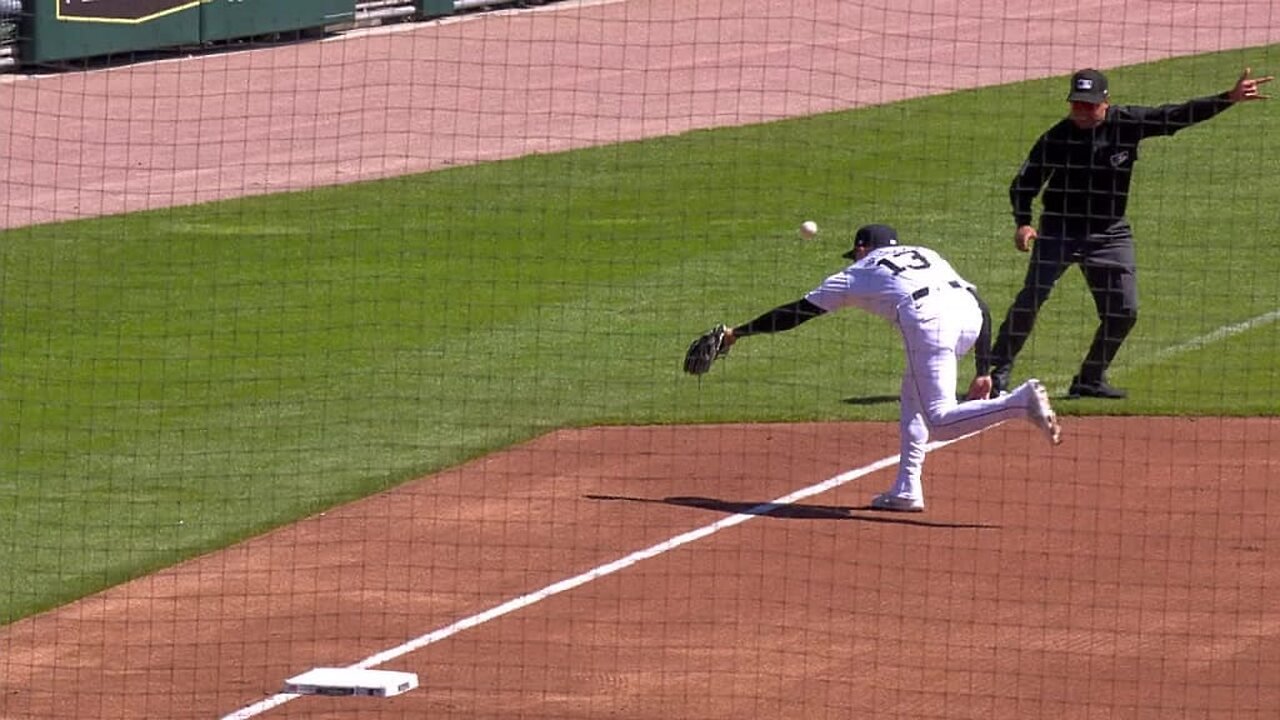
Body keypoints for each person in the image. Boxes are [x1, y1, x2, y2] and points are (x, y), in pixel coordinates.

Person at [689, 223, 1061, 513]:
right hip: (967, 316)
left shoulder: (859, 271)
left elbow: (796, 313)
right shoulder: (927, 253)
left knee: (940, 420)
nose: (854, 258)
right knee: (912, 396)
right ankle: (906, 488)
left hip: (929, 320)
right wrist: (984, 369)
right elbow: (980, 303)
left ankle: (1020, 402)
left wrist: (738, 333)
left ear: (864, 248)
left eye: (855, 252)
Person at [990, 67, 1273, 399]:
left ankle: (1089, 379)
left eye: (1089, 104)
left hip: (1110, 233)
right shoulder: (1056, 137)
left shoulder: (1127, 123)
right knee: (1031, 298)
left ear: (1105, 102)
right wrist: (1023, 222)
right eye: (1077, 104)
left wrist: (1228, 98)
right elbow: (1023, 185)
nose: (1082, 111)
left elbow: (1177, 116)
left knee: (1124, 310)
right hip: (1059, 229)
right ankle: (995, 376)